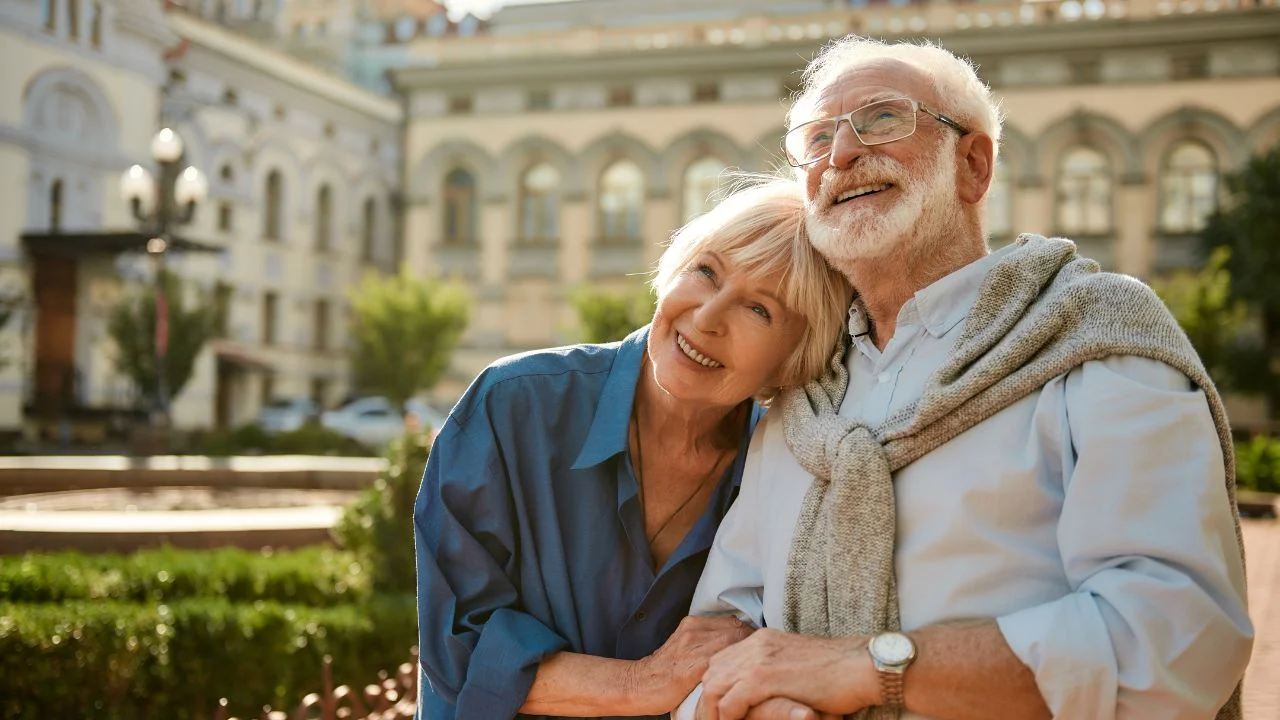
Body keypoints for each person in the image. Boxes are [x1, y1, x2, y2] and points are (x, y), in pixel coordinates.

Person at [677, 37, 1253, 720]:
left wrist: (867, 669)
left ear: (973, 165)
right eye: (818, 138)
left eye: (882, 119)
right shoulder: (803, 401)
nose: (841, 155)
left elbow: (1176, 638)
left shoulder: (1095, 337)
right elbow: (720, 636)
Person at [413, 178, 854, 719]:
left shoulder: (785, 470)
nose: (707, 317)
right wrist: (641, 682)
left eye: (759, 310)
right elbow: (458, 646)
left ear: (796, 357)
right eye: (706, 272)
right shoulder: (512, 407)